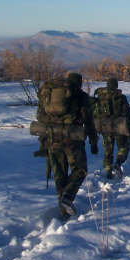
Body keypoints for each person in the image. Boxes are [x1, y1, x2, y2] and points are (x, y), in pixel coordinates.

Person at [36, 72, 98, 220]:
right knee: (80, 170)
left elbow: (40, 115)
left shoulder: (49, 95)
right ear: (80, 83)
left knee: (59, 175)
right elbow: (89, 121)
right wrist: (93, 141)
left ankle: (63, 211)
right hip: (72, 140)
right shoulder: (81, 96)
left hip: (52, 138)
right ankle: (67, 198)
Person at [93, 78, 130, 179]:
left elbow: (95, 113)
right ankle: (118, 163)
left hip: (104, 126)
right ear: (116, 85)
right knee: (123, 146)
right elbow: (127, 114)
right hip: (119, 125)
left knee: (108, 149)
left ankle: (107, 168)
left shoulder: (100, 97)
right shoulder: (121, 97)